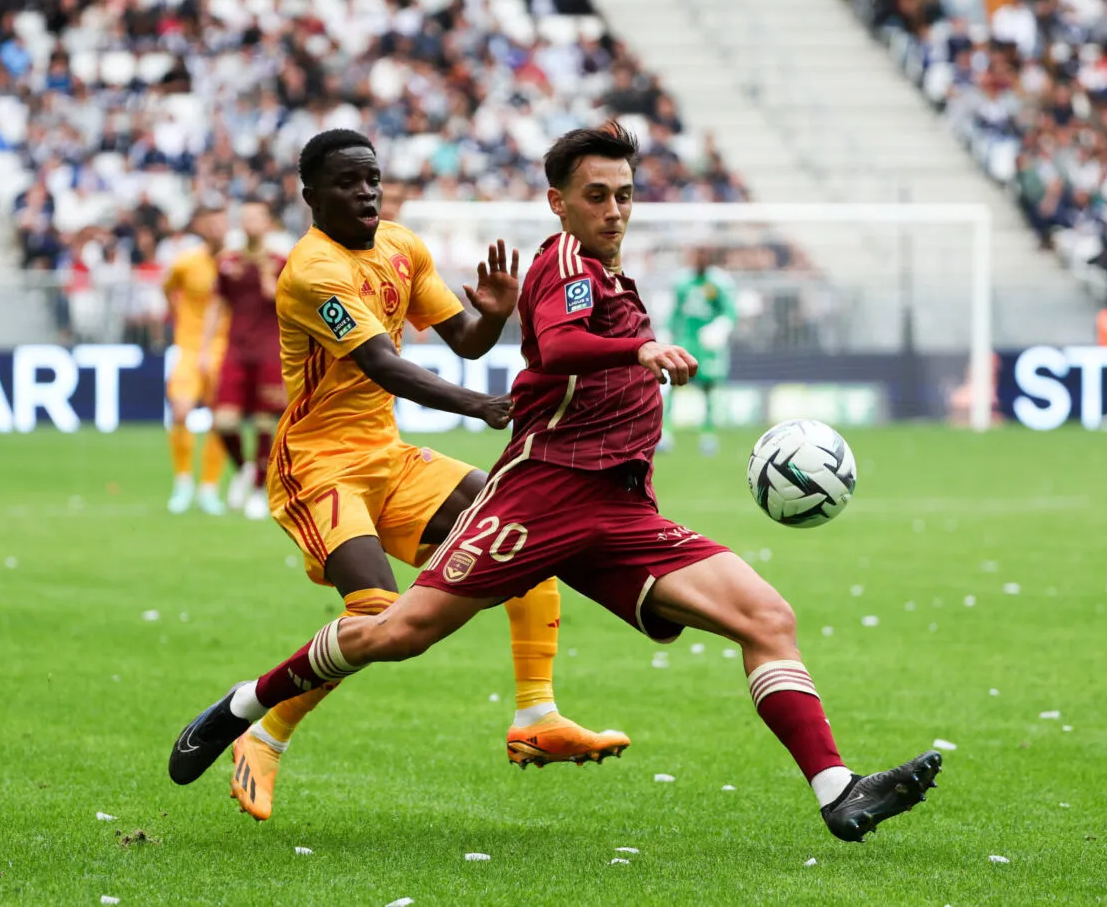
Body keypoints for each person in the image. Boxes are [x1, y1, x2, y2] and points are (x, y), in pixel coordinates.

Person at [169, 125, 941, 842]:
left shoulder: (490, 260)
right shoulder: (558, 263)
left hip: (613, 505)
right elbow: (550, 344)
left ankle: (837, 789)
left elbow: (472, 340)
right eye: (597, 194)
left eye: (625, 194)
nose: (614, 209)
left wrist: (492, 316)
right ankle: (251, 707)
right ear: (560, 202)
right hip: (510, 491)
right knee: (392, 625)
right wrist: (633, 352)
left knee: (768, 616)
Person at [187, 128, 628, 823]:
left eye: (372, 178)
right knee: (375, 615)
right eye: (345, 182)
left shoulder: (402, 246)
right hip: (318, 466)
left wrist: (496, 312)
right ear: (310, 197)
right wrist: (479, 404)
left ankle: (536, 712)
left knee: (523, 526)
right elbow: (383, 366)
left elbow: (463, 338)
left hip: (386, 456)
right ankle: (265, 730)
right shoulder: (311, 270)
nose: (365, 191)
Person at [210, 202, 288, 521]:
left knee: (263, 422)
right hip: (235, 349)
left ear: (267, 223)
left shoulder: (279, 262)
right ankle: (244, 470)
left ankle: (259, 489)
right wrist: (204, 349)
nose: (249, 223)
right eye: (244, 218)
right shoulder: (228, 262)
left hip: (269, 349)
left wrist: (271, 281)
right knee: (223, 421)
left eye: (255, 218)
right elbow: (217, 305)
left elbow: (286, 306)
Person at [163, 207, 230, 515]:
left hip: (224, 349)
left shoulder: (235, 263)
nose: (217, 228)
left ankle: (209, 487)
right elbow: (168, 290)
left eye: (221, 222)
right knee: (180, 410)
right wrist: (181, 322)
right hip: (189, 349)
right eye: (211, 223)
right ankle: (183, 481)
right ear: (203, 227)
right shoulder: (186, 262)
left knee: (220, 418)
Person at [662, 246, 737, 456]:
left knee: (710, 389)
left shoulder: (720, 282)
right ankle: (665, 432)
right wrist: (666, 332)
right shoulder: (682, 282)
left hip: (708, 346)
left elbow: (729, 311)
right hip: (684, 342)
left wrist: (719, 328)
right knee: (670, 387)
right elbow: (675, 311)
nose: (698, 260)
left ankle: (708, 435)